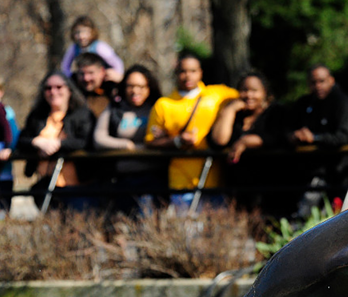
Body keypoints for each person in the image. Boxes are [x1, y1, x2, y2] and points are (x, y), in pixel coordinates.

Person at [145, 51, 238, 211]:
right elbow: (150, 141)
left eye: (193, 71)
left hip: (216, 179)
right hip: (181, 181)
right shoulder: (164, 104)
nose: (188, 76)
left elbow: (247, 100)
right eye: (183, 71)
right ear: (176, 73)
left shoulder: (219, 94)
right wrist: (177, 141)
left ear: (200, 72)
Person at [287, 64, 348, 215]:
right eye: (313, 82)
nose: (318, 86)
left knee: (323, 214)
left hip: (338, 172)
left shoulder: (343, 102)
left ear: (331, 80)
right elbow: (286, 129)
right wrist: (293, 136)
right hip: (306, 171)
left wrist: (314, 138)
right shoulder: (303, 103)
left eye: (322, 81)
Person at [208, 71, 287, 213]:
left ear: (265, 92)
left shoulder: (276, 112)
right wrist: (229, 110)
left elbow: (280, 137)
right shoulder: (236, 116)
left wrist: (247, 141)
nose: (249, 95)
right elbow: (219, 141)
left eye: (254, 90)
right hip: (236, 188)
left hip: (268, 188)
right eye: (244, 90)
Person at [93, 64, 166, 213]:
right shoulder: (115, 109)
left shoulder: (159, 107)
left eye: (141, 86)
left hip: (152, 179)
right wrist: (125, 145)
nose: (135, 91)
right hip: (122, 180)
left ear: (149, 88)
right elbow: (99, 138)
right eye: (130, 86)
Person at [17, 71, 95, 210]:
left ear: (69, 90)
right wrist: (37, 142)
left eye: (59, 87)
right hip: (45, 185)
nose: (53, 92)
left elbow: (85, 141)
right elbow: (21, 140)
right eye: (48, 88)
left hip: (76, 186)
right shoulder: (37, 116)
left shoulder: (83, 114)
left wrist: (59, 144)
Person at [61, 16, 124, 82]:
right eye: (77, 32)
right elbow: (65, 65)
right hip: (85, 79)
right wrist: (68, 78)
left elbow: (116, 62)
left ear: (92, 32)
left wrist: (118, 75)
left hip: (103, 79)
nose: (81, 36)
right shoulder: (74, 48)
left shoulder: (99, 46)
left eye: (84, 32)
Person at [74, 52, 120, 120]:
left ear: (102, 71)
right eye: (82, 74)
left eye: (91, 73)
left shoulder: (113, 90)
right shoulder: (71, 90)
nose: (86, 78)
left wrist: (122, 82)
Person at [0, 77, 19, 213]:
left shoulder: (7, 112)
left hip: (3, 173)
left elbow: (13, 138)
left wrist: (7, 149)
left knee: (2, 213)